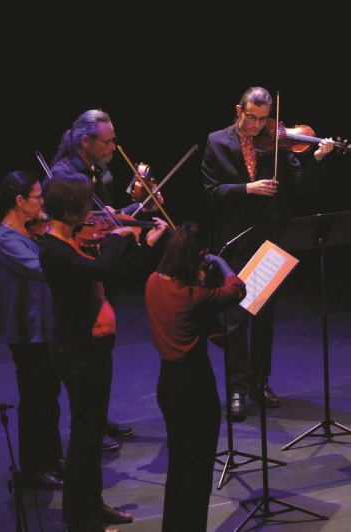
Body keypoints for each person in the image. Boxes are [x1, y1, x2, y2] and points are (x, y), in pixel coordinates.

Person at [39, 169, 167, 532]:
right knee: (83, 439)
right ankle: (79, 520)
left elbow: (114, 274)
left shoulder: (74, 241)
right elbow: (102, 267)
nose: (91, 210)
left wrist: (147, 244)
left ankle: (93, 506)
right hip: (77, 350)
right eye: (86, 203)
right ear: (74, 207)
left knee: (91, 436)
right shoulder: (55, 250)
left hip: (93, 347)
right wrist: (120, 237)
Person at [202, 85, 334, 416]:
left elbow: (301, 186)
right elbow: (210, 192)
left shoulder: (278, 142)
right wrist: (248, 188)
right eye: (251, 118)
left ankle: (260, 382)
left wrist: (318, 159)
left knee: (265, 318)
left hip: (270, 240)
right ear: (238, 109)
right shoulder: (217, 142)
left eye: (263, 120)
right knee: (235, 321)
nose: (258, 126)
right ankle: (237, 389)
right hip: (234, 243)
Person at [49, 109, 163, 449]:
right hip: (79, 269)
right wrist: (116, 229)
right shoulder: (62, 176)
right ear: (86, 142)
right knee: (87, 349)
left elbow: (108, 220)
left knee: (104, 345)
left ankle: (98, 416)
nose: (115, 146)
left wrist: (142, 208)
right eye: (108, 140)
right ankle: (89, 425)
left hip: (101, 260)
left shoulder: (103, 173)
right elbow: (83, 223)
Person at [144, 222, 246, 531]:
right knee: (199, 471)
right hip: (194, 385)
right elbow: (236, 289)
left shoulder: (153, 281)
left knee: (179, 466)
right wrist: (223, 263)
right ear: (200, 255)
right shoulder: (193, 295)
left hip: (168, 384)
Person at [0, 171, 64, 489]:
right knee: (35, 400)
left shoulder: (31, 232)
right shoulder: (5, 239)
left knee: (50, 396)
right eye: (37, 197)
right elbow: (43, 270)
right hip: (27, 332)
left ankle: (53, 457)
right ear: (20, 201)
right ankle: (33, 466)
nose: (43, 202)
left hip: (44, 328)